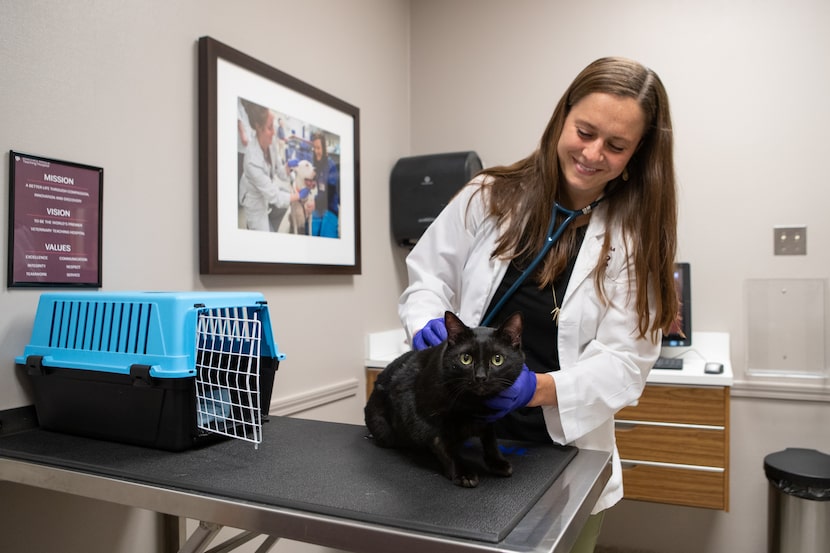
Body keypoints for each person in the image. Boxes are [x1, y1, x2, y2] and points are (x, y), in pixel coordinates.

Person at [398, 57, 678, 553]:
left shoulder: (636, 239)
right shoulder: (487, 195)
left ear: (636, 155)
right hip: (460, 440)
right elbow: (427, 276)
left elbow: (626, 361)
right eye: (585, 131)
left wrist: (541, 389)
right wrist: (425, 322)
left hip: (560, 455)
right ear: (561, 119)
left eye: (616, 146)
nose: (592, 154)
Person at [238, 102, 298, 232]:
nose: (274, 132)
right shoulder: (252, 160)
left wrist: (288, 167)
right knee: (263, 236)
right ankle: (256, 228)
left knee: (285, 197)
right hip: (253, 199)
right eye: (270, 127)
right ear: (258, 128)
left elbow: (280, 172)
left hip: (265, 190)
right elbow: (274, 196)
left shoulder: (271, 145)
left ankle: (268, 227)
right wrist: (298, 197)